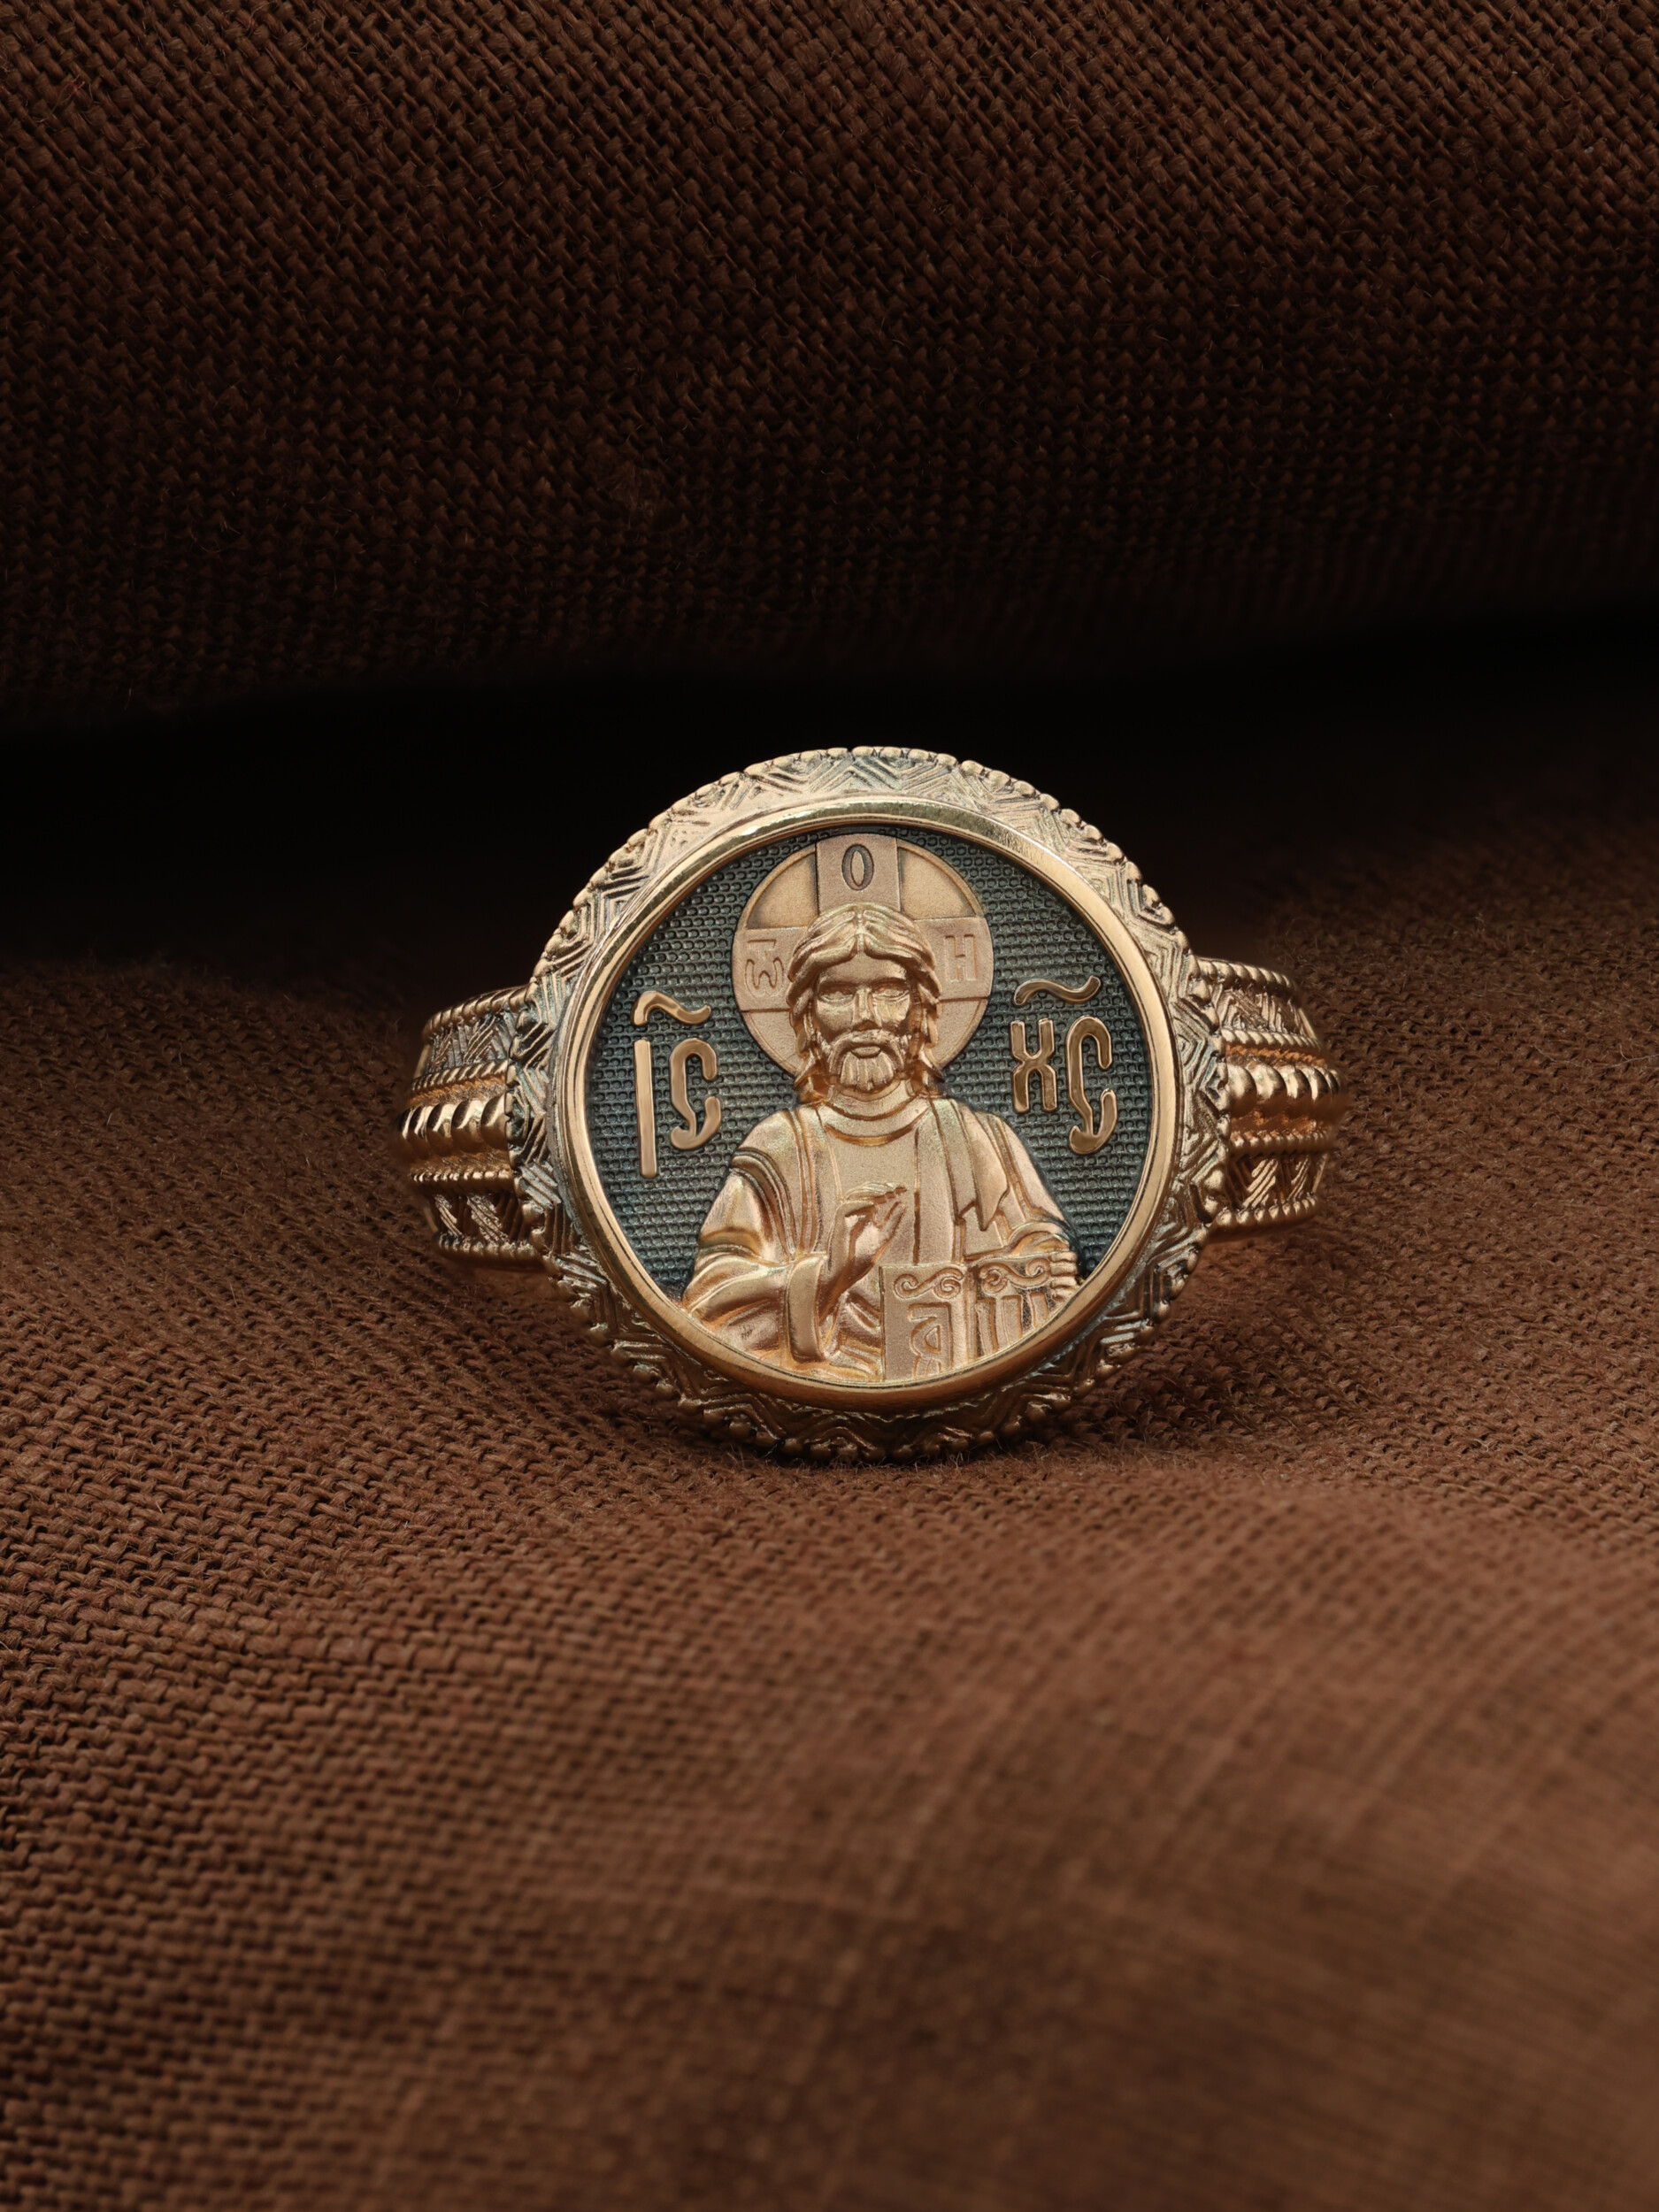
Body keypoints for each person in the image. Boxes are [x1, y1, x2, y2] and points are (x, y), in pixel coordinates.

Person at [684, 901, 1076, 1379]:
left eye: (889, 991)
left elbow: (1040, 1258)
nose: (865, 1017)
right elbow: (707, 1308)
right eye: (839, 993)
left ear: (919, 1009)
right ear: (808, 1017)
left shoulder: (975, 1138)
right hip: (825, 1386)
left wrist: (1048, 1275)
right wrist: (829, 1276)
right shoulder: (782, 1149)